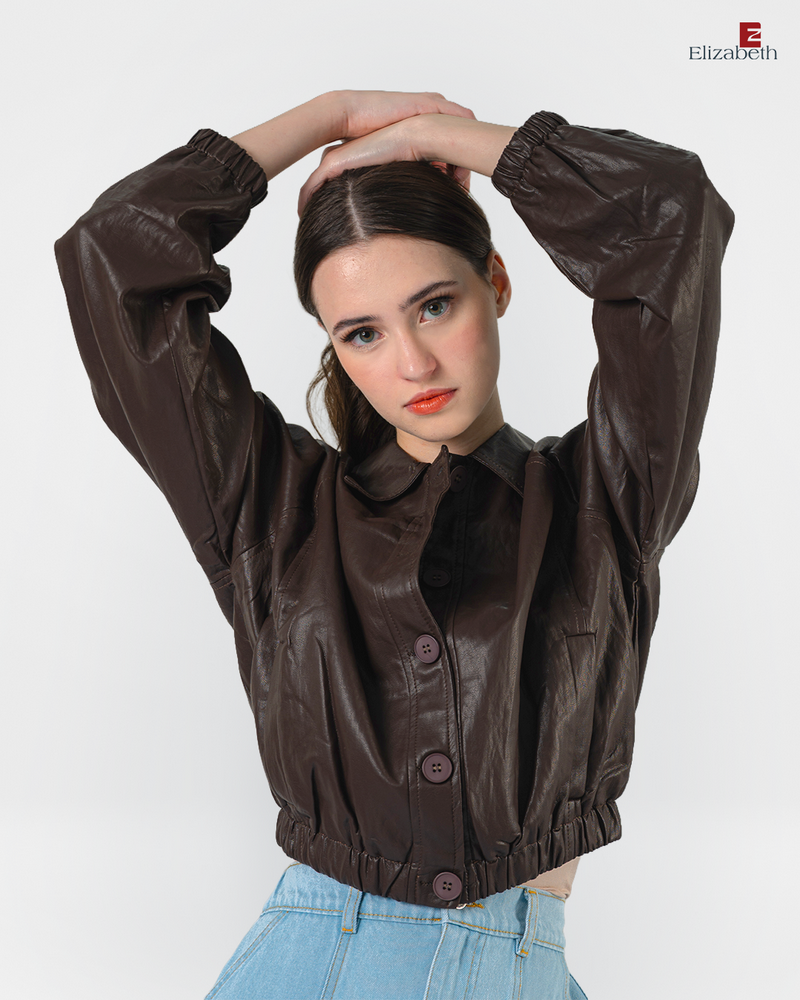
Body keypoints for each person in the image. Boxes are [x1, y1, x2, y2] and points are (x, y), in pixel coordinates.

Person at [54, 90, 734, 999]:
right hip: (323, 961)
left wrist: (433, 136)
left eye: (435, 305)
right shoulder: (269, 510)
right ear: (335, 346)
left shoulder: (608, 496)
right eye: (363, 333)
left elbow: (669, 214)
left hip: (528, 966)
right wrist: (331, 117)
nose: (412, 364)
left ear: (496, 282)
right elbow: (115, 255)